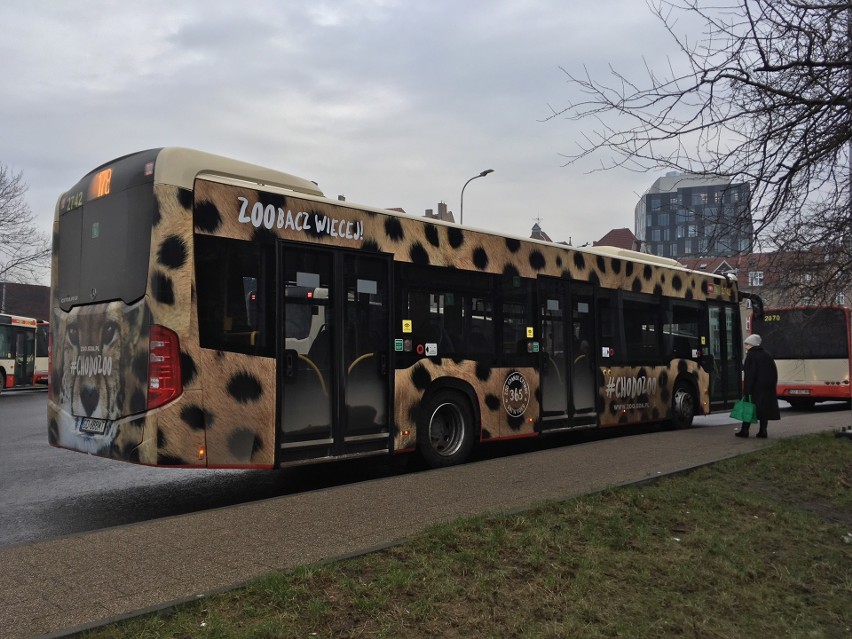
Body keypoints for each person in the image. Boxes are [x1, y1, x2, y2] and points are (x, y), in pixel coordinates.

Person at [736, 334, 780, 438]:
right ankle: (763, 431)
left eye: (747, 344)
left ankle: (744, 431)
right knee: (764, 410)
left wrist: (747, 390)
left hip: (755, 388)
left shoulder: (751, 356)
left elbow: (750, 374)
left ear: (752, 344)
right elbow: (774, 372)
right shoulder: (767, 355)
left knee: (749, 408)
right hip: (767, 388)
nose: (746, 347)